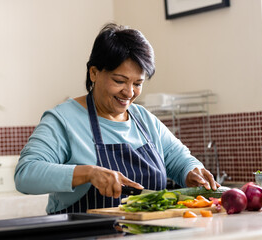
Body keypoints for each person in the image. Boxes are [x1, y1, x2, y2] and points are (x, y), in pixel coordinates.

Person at [14, 23, 219, 214]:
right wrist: (89, 173)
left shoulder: (144, 120)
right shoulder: (64, 119)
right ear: (94, 73)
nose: (129, 92)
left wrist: (192, 171)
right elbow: (26, 174)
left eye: (138, 83)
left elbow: (178, 158)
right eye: (119, 81)